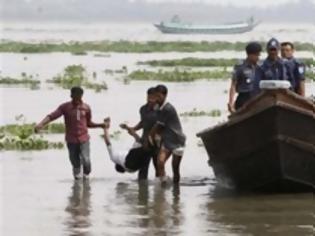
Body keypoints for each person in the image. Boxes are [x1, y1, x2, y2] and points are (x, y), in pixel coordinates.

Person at [34, 87, 105, 180]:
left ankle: (86, 178)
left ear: (80, 95)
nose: (73, 96)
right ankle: (77, 182)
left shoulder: (86, 108)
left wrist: (100, 125)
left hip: (84, 138)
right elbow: (52, 116)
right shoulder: (65, 107)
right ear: (71, 95)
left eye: (76, 95)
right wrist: (41, 124)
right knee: (74, 161)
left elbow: (88, 123)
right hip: (71, 139)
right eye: (72, 95)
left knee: (86, 159)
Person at [149, 85, 186, 184]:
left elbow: (158, 126)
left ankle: (176, 193)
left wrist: (151, 136)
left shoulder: (167, 108)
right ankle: (164, 183)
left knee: (175, 169)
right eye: (155, 96)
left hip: (177, 140)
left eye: (159, 96)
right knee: (160, 162)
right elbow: (158, 125)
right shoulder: (158, 107)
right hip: (167, 140)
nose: (157, 98)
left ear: (165, 96)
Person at [124, 87, 159, 179]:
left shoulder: (160, 110)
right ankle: (142, 190)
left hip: (157, 143)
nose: (150, 100)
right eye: (149, 98)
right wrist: (134, 129)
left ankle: (160, 190)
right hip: (144, 143)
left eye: (153, 98)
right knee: (143, 168)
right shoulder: (143, 109)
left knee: (158, 167)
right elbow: (143, 122)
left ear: (157, 98)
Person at [228, 42, 265, 112]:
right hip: (244, 98)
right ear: (250, 55)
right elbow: (233, 85)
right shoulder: (240, 67)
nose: (258, 58)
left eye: (259, 55)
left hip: (257, 97)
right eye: (256, 55)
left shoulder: (260, 67)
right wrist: (231, 102)